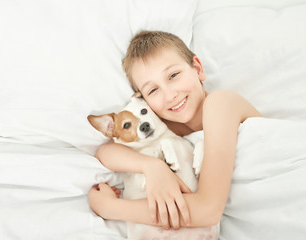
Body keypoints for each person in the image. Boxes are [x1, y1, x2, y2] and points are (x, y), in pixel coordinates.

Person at [88, 30, 261, 230]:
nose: (170, 95)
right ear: (144, 100)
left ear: (197, 68)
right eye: (153, 90)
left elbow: (208, 211)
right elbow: (107, 151)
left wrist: (110, 207)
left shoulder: (220, 103)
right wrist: (152, 167)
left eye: (173, 75)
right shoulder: (168, 129)